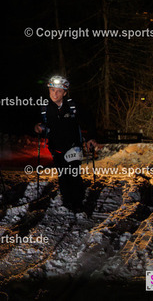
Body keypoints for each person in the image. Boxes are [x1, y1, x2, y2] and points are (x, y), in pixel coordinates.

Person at [34, 76, 97, 212]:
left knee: (73, 174)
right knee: (63, 175)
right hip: (56, 147)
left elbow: (89, 119)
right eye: (52, 90)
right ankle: (67, 201)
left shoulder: (73, 106)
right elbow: (39, 124)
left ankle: (77, 203)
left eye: (58, 91)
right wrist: (37, 128)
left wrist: (91, 137)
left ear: (65, 93)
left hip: (73, 146)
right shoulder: (44, 107)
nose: (55, 94)